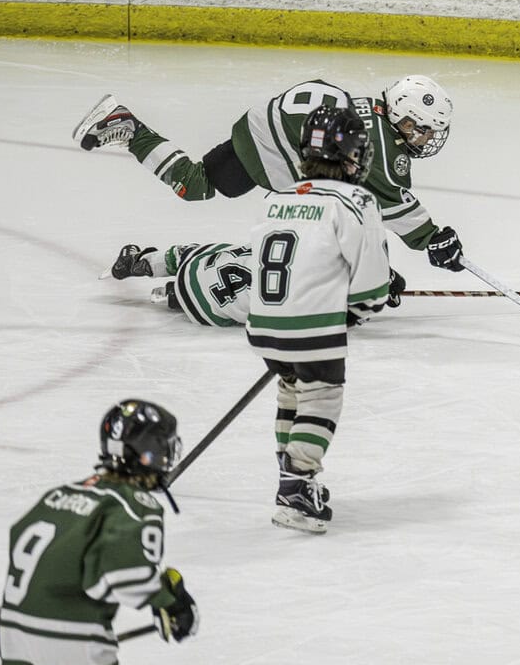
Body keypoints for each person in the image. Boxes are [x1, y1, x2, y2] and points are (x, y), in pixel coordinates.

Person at [0, 399, 199, 665]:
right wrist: (171, 602)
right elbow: (122, 578)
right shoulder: (136, 505)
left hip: (14, 624)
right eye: (162, 446)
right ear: (145, 451)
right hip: (67, 634)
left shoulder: (65, 492)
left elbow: (26, 542)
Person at [72, 74, 468, 274]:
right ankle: (234, 277)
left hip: (261, 126)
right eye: (423, 128)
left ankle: (129, 128)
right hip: (276, 149)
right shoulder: (386, 149)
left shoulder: (373, 112)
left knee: (196, 184)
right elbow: (394, 205)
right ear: (402, 117)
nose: (427, 137)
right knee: (320, 245)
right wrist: (433, 240)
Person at [247, 105, 396, 533]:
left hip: (262, 324)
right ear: (351, 154)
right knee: (322, 397)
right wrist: (357, 308)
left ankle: (288, 473)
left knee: (292, 390)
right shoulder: (357, 200)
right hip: (311, 326)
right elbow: (371, 288)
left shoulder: (277, 197)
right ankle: (296, 486)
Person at [107, 241, 402, 330]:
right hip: (206, 311)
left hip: (202, 265)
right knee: (252, 306)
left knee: (221, 254)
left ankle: (145, 262)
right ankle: (176, 297)